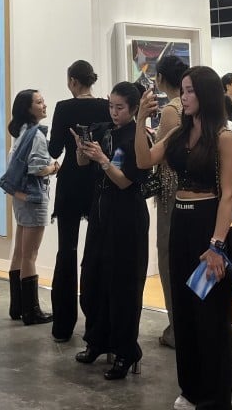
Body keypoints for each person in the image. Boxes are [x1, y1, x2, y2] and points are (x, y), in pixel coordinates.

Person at [135, 66, 232, 410]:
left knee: (210, 315)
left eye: (191, 90)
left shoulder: (223, 137)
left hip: (208, 226)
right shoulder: (179, 133)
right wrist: (140, 120)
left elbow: (228, 195)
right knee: (183, 311)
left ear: (206, 94)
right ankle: (191, 389)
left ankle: (215, 397)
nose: (185, 97)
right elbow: (144, 160)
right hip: (180, 222)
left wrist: (216, 245)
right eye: (183, 90)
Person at [74, 82, 150, 379]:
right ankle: (97, 340)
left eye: (120, 108)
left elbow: (124, 181)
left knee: (123, 286)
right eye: (111, 106)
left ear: (133, 109)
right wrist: (82, 150)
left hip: (127, 216)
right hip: (100, 212)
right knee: (93, 278)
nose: (114, 112)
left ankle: (126, 350)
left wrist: (103, 160)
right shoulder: (104, 131)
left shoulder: (136, 137)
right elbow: (82, 164)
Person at [46, 60, 111, 343]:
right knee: (96, 253)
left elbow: (54, 150)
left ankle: (62, 326)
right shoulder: (105, 106)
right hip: (98, 182)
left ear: (73, 81)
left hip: (71, 183)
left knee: (66, 251)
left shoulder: (63, 108)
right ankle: (97, 322)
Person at [5, 89, 57, 325]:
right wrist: (54, 167)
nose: (44, 105)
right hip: (34, 198)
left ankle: (17, 307)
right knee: (30, 255)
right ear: (28, 109)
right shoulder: (36, 135)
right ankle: (31, 311)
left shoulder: (22, 133)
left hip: (20, 197)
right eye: (39, 102)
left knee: (19, 252)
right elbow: (37, 169)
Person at [150, 54, 187, 349]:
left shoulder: (171, 110)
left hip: (170, 191)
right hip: (193, 190)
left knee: (169, 258)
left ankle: (177, 328)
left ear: (161, 78)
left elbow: (156, 155)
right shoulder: (191, 105)